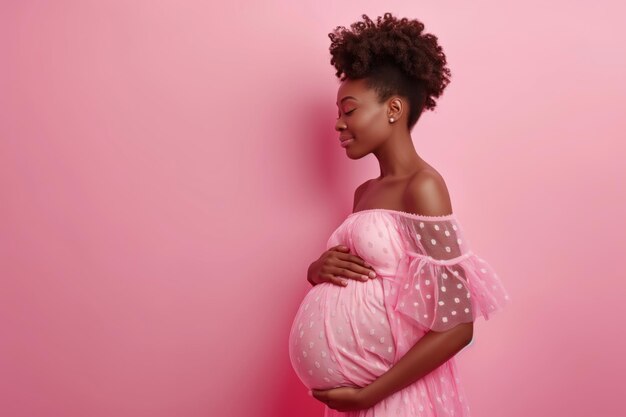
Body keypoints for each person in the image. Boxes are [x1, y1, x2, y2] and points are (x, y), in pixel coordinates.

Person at [288, 12, 510, 416]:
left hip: (391, 399)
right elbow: (367, 279)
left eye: (349, 110)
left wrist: (369, 395)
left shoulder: (422, 186)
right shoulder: (364, 192)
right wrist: (318, 271)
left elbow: (458, 326)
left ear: (393, 109)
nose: (338, 124)